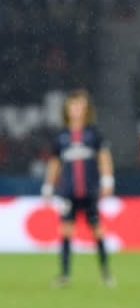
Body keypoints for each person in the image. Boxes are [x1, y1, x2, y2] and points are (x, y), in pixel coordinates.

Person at [41, 88, 115, 287]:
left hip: (90, 191)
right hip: (68, 191)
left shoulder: (93, 134)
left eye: (81, 105)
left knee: (97, 230)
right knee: (65, 231)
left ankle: (106, 273)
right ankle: (64, 275)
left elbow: (103, 156)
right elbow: (55, 162)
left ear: (87, 109)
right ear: (67, 109)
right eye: (73, 105)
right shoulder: (61, 136)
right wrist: (48, 185)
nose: (77, 109)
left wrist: (108, 179)